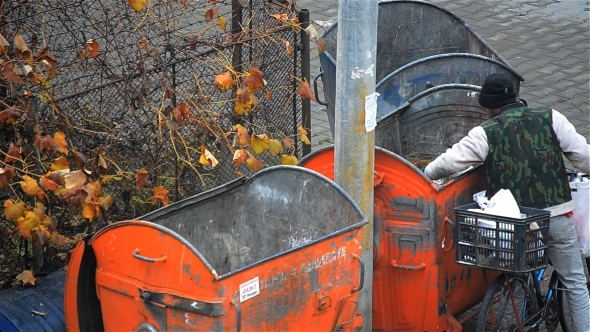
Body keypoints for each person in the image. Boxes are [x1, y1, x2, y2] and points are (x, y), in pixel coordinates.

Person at [424, 73, 590, 331]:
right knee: (575, 284)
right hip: (556, 217)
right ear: (515, 96)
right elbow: (582, 156)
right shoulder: (551, 117)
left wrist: (426, 174)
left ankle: (516, 321)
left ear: (488, 106)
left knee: (516, 278)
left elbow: (447, 163)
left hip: (513, 225)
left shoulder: (485, 132)